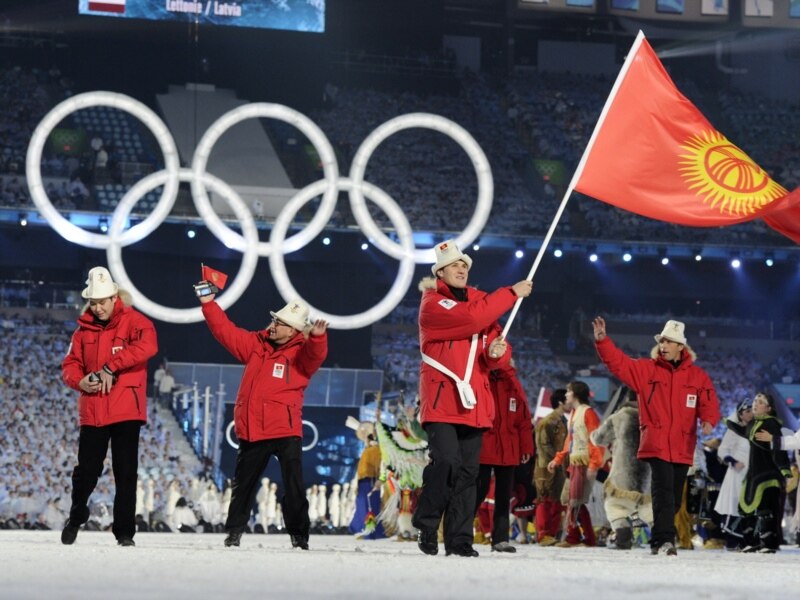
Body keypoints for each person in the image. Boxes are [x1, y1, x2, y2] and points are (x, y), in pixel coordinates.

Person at [413, 239, 532, 558]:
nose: (461, 268)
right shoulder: (433, 304)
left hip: (474, 403)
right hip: (442, 401)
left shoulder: (482, 304)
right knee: (446, 462)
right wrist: (510, 293)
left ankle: (459, 540)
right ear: (439, 273)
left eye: (464, 264)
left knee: (468, 475)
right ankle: (427, 523)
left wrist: (496, 353)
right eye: (454, 265)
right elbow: (470, 320)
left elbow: (498, 349)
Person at [198, 289, 328, 549]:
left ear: (293, 331)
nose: (273, 325)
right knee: (242, 486)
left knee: (293, 487)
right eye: (274, 320)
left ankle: (299, 535)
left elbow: (315, 356)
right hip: (253, 430)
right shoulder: (256, 345)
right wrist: (209, 304)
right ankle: (234, 532)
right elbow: (225, 331)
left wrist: (317, 338)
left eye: (280, 322)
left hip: (285, 430)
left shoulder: (301, 354)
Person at [592, 317, 720, 556]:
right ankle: (664, 541)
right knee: (663, 493)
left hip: (682, 445)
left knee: (674, 499)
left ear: (681, 346)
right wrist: (603, 342)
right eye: (662, 341)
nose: (663, 345)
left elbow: (709, 401)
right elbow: (618, 364)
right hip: (656, 443)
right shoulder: (646, 369)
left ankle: (661, 539)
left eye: (669, 341)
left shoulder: (698, 376)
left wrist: (709, 420)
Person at [60, 266, 158, 547]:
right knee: (87, 471)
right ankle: (77, 514)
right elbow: (69, 365)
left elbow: (148, 346)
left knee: (126, 472)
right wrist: (80, 381)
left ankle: (124, 532)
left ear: (115, 297)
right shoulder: (81, 332)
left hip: (126, 409)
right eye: (93, 302)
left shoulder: (137, 322)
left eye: (102, 301)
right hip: (93, 409)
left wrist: (110, 367)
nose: (98, 307)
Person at [474, 361, 533, 553]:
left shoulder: (514, 385)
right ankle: (460, 533)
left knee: (504, 495)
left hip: (508, 448)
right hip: (484, 445)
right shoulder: (481, 380)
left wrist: (526, 447)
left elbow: (523, 420)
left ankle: (500, 539)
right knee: (478, 491)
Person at [729, 393, 791, 553]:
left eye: (761, 402)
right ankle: (751, 541)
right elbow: (743, 430)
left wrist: (785, 469)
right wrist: (727, 422)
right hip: (754, 473)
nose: (755, 404)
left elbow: (779, 447)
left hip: (768, 474)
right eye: (755, 401)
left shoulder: (771, 423)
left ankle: (768, 543)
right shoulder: (753, 423)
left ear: (769, 408)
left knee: (766, 508)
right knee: (745, 508)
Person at [590, 391, 652, 550]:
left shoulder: (620, 416)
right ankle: (663, 537)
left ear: (627, 398)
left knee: (615, 506)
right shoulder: (656, 417)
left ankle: (623, 534)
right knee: (648, 508)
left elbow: (598, 439)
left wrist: (593, 433)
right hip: (648, 473)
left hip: (623, 474)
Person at [548, 380, 605, 547]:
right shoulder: (575, 413)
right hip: (575, 462)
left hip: (583, 462)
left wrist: (594, 465)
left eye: (568, 391)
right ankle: (587, 538)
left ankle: (575, 538)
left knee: (574, 500)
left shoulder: (588, 413)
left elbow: (595, 440)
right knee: (572, 500)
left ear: (576, 394)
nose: (566, 394)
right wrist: (558, 459)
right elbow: (570, 440)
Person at [714, 399, 753, 550]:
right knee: (734, 506)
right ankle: (732, 542)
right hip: (737, 474)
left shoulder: (755, 430)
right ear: (740, 415)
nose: (750, 414)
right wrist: (733, 461)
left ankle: (746, 542)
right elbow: (722, 450)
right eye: (747, 411)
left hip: (751, 475)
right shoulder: (734, 431)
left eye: (752, 411)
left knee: (747, 507)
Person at [533, 388, 568, 546]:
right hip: (546, 467)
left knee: (556, 501)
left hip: (558, 467)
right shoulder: (547, 422)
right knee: (545, 500)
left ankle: (551, 534)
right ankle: (543, 534)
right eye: (567, 399)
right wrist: (555, 460)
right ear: (561, 402)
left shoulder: (563, 421)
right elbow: (542, 445)